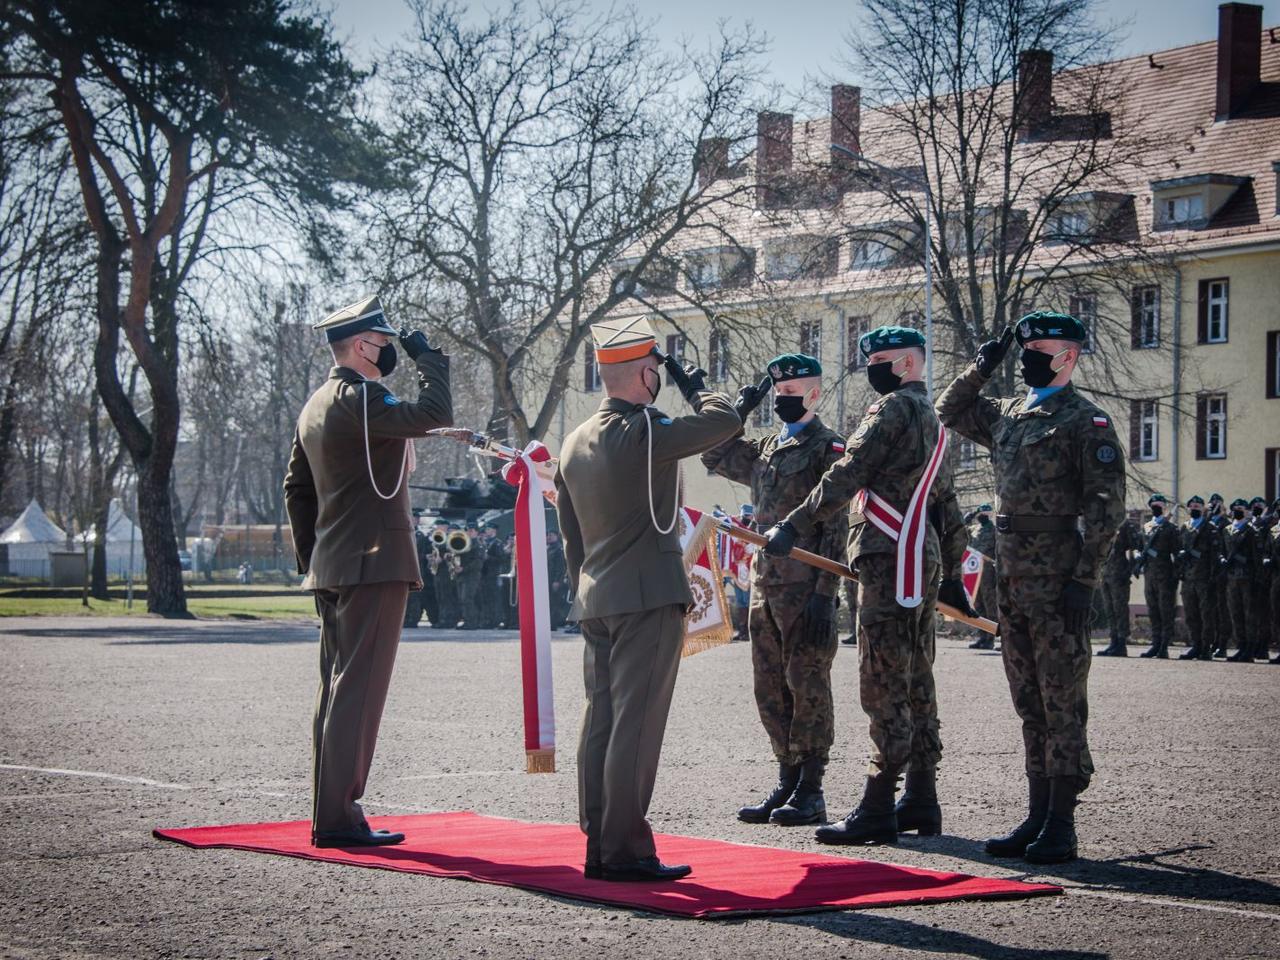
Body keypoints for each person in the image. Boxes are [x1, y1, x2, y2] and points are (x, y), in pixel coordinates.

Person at [761, 326, 971, 846]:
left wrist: (794, 523)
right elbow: (947, 503)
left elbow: (848, 472)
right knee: (918, 675)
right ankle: (921, 795)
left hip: (888, 557)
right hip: (920, 557)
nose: (872, 367)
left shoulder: (892, 410)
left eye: (880, 359)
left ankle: (879, 801)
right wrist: (951, 570)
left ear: (907, 364)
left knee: (882, 680)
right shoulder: (936, 420)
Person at [554, 315, 740, 882]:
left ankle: (599, 839)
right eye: (657, 368)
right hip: (647, 595)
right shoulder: (645, 429)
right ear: (644, 372)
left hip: (597, 594)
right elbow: (725, 421)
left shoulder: (574, 439)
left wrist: (586, 587)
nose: (660, 376)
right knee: (637, 723)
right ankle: (627, 850)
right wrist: (694, 382)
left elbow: (570, 534)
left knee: (604, 720)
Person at [936, 310, 1125, 864]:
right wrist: (978, 368)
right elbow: (951, 410)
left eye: (1038, 349)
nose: (1026, 358)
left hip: (1057, 577)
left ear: (1066, 357)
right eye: (1023, 350)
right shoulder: (1011, 413)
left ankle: (1061, 824)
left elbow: (1106, 510)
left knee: (1062, 699)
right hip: (1012, 577)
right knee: (1029, 701)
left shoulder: (1084, 421)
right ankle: (1037, 813)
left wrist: (1084, 581)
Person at [284, 294, 451, 848]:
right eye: (384, 343)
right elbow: (433, 417)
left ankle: (329, 811)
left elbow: (296, 490)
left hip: (335, 563)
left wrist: (316, 557)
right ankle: (338, 817)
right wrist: (432, 361)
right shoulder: (361, 397)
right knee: (358, 689)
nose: (390, 352)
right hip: (373, 561)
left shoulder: (316, 404)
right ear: (361, 345)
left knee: (335, 690)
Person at [700, 353, 849, 827]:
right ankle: (785, 778)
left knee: (807, 685)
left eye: (791, 393)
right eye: (777, 393)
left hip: (806, 586)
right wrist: (738, 411)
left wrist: (826, 595)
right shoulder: (767, 448)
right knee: (769, 687)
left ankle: (811, 787)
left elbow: (836, 524)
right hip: (765, 584)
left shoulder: (829, 450)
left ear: (813, 394)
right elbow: (714, 454)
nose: (783, 400)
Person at [1177, 495, 1221, 661]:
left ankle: (1206, 647)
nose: (1194, 508)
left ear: (1203, 509)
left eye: (1198, 505)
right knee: (1191, 614)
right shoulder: (1185, 527)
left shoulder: (1210, 528)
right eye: (1192, 505)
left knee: (1206, 615)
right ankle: (1195, 645)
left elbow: (1215, 556)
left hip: (1204, 578)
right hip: (1188, 578)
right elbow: (1179, 548)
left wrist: (1212, 577)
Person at [1137, 493, 1179, 659]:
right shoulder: (1146, 526)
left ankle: (1164, 646)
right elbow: (1140, 547)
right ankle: (1155, 644)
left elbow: (1177, 553)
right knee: (1153, 610)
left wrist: (1175, 576)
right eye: (1153, 504)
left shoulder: (1170, 528)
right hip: (1149, 574)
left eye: (1159, 504)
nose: (1156, 506)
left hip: (1165, 575)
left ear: (1164, 507)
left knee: (1165, 610)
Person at [1096, 515, 1140, 657]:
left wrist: (1130, 568)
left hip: (1119, 574)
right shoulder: (1103, 523)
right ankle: (1113, 641)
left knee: (1120, 609)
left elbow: (1137, 546)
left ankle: (1121, 643)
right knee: (1109, 609)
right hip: (1106, 573)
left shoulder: (1125, 525)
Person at [1222, 498, 1259, 662]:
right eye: (1235, 508)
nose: (1238, 510)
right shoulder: (1227, 530)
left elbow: (1256, 557)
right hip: (1232, 578)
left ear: (1247, 511)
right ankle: (1241, 646)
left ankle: (1250, 649)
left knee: (1249, 614)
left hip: (1247, 578)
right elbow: (1222, 551)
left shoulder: (1251, 531)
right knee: (1235, 613)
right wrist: (1223, 559)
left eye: (1241, 508)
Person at [967, 504, 998, 650]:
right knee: (977, 605)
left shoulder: (994, 531)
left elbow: (998, 551)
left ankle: (990, 638)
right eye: (980, 513)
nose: (982, 516)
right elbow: (957, 535)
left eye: (985, 513)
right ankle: (981, 636)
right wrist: (967, 520)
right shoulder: (973, 530)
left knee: (989, 606)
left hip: (987, 574)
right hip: (973, 572)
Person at [1248, 497, 1273, 661]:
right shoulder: (1248, 524)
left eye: (1260, 506)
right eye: (1254, 506)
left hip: (1263, 575)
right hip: (1249, 575)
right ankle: (1254, 645)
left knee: (1263, 613)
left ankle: (1263, 647)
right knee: (1252, 613)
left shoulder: (1267, 525)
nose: (1256, 508)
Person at [1207, 493, 1231, 658]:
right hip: (1206, 573)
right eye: (1212, 504)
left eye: (1216, 504)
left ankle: (1222, 644)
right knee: (1209, 611)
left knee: (1222, 611)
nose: (1213, 506)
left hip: (1221, 574)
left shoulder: (1226, 525)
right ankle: (1210, 642)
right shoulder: (1206, 523)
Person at [456, 520, 485, 629]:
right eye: (467, 530)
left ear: (476, 532)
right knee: (462, 599)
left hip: (472, 576)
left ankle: (472, 622)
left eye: (472, 531)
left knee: (467, 599)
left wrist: (463, 569)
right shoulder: (464, 543)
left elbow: (477, 563)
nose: (469, 533)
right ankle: (467, 620)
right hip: (462, 575)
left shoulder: (478, 545)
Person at [546, 529, 571, 629]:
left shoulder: (558, 549)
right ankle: (549, 622)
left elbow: (560, 567)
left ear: (556, 536)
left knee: (554, 602)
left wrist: (557, 581)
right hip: (548, 579)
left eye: (551, 535)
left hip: (555, 580)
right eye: (548, 535)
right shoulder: (548, 548)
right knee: (549, 602)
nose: (548, 537)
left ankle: (553, 624)